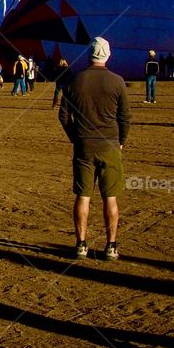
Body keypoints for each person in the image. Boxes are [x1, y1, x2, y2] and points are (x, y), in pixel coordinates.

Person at [58, 37, 130, 261]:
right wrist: (120, 139)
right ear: (107, 55)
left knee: (83, 195)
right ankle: (111, 246)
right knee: (110, 198)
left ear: (89, 55)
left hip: (84, 146)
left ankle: (81, 244)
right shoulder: (117, 82)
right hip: (109, 144)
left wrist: (75, 136)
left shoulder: (75, 81)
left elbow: (63, 115)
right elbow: (125, 117)